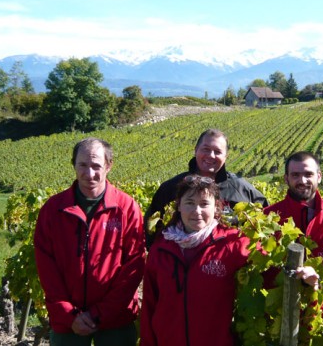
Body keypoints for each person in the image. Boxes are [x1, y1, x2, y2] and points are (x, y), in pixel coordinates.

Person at [34, 138, 145, 346]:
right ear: (73, 165)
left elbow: (133, 266)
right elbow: (46, 268)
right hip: (68, 322)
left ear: (109, 166)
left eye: (96, 166)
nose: (89, 173)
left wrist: (99, 313)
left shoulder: (127, 208)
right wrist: (68, 314)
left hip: (116, 320)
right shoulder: (53, 209)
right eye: (82, 165)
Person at [140, 174, 250, 346]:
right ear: (179, 207)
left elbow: (268, 270)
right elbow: (149, 304)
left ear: (216, 208)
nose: (197, 211)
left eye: (204, 204)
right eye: (190, 203)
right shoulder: (161, 248)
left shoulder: (232, 243)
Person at [263, 151, 323, 325]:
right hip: (275, 322)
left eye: (308, 174)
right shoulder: (269, 218)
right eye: (295, 175)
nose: (302, 181)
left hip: (322, 319)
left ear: (319, 176)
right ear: (286, 179)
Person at [144, 128, 268, 247]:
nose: (211, 155)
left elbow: (265, 226)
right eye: (206, 149)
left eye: (218, 152)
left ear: (226, 156)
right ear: (195, 150)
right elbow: (151, 233)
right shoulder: (171, 188)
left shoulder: (243, 191)